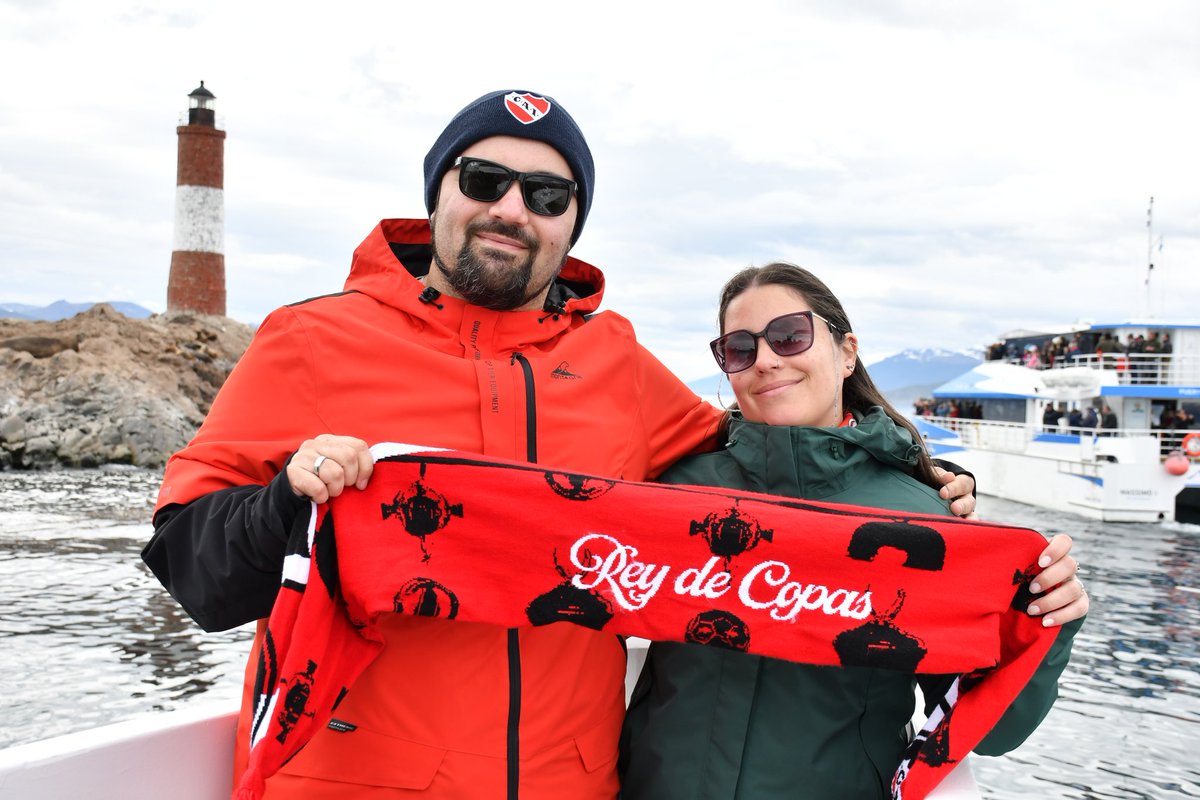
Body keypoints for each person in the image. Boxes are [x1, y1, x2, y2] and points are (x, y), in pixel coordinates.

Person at [141, 90, 980, 798]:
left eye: (548, 196)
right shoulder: (311, 340)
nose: (512, 210)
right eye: (485, 180)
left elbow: (769, 449)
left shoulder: (617, 363)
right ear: (438, 192)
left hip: (568, 783)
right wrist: (288, 502)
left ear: (571, 224)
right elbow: (191, 568)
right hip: (351, 780)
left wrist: (911, 474)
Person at [620, 263, 1086, 800]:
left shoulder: (923, 520)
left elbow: (993, 729)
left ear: (846, 353)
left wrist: (1042, 616)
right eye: (740, 349)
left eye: (789, 336)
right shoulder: (674, 492)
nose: (765, 360)